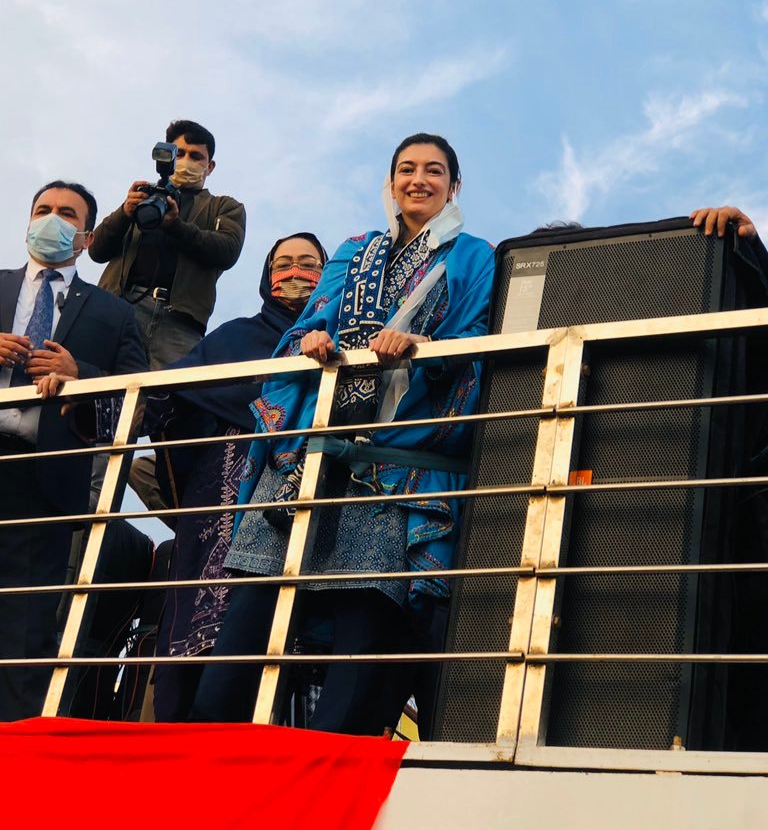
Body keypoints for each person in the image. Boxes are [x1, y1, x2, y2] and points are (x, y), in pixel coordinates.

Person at [191, 133, 495, 735]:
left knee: (365, 619)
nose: (418, 180)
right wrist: (311, 339)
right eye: (406, 169)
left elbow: (476, 338)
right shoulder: (355, 251)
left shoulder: (471, 255)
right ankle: (210, 749)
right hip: (310, 454)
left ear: (454, 186)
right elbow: (306, 324)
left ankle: (331, 757)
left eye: (434, 171)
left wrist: (422, 346)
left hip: (393, 459)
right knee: (251, 616)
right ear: (391, 182)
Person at [146, 233, 327, 721]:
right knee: (209, 628)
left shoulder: (342, 337)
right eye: (283, 264)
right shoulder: (234, 338)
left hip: (312, 487)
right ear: (267, 277)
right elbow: (172, 393)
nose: (294, 273)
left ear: (328, 273)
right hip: (224, 489)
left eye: (308, 263)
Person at [0, 181, 147, 721]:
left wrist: (80, 373)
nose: (51, 219)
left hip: (45, 479)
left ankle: (13, 748)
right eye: (43, 209)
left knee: (24, 628)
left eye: (66, 214)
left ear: (85, 238)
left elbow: (141, 400)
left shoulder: (113, 313)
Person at [88, 119, 246, 369]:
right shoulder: (143, 198)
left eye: (196, 156)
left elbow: (227, 250)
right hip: (120, 309)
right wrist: (124, 212)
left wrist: (175, 226)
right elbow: (96, 249)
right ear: (168, 156)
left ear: (210, 166)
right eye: (179, 153)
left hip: (179, 323)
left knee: (170, 392)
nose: (186, 161)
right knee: (100, 383)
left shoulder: (224, 207)